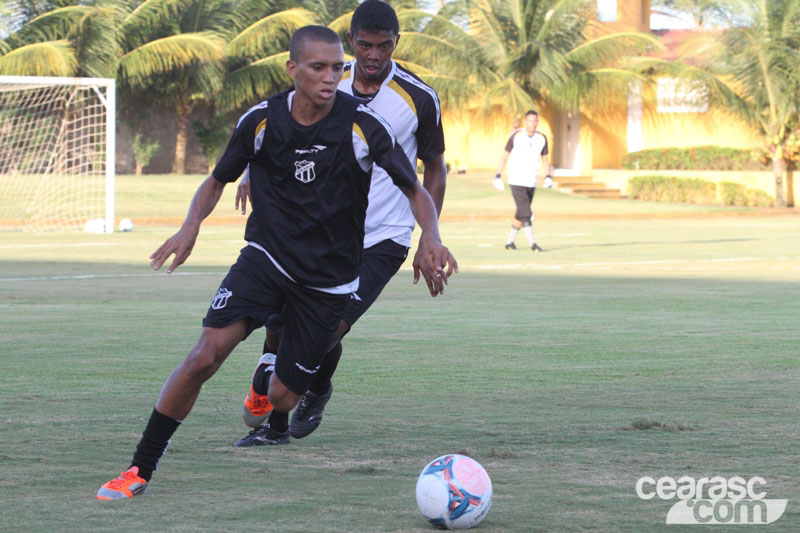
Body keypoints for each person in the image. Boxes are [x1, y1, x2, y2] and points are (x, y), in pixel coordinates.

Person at [96, 25, 457, 500]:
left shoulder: (364, 125)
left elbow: (416, 189)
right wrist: (190, 226)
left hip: (327, 281)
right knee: (203, 356)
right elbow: (217, 179)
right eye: (318, 68)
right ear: (293, 70)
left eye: (336, 68)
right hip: (265, 259)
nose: (331, 77)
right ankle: (138, 469)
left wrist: (430, 236)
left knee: (282, 399)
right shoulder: (261, 120)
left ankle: (269, 383)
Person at [233, 0, 449, 447]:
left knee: (326, 329)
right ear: (353, 41)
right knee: (280, 325)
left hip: (382, 239)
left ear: (396, 44)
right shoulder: (326, 76)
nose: (373, 55)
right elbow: (283, 122)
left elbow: (435, 169)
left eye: (384, 46)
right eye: (366, 45)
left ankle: (313, 390)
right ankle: (276, 429)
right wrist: (253, 170)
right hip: (318, 232)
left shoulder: (419, 97)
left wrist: (430, 235)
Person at [493, 110, 552, 252]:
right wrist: (498, 175)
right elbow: (505, 155)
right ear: (526, 121)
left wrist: (548, 176)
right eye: (530, 121)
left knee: (520, 213)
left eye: (535, 121)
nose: (533, 124)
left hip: (531, 181)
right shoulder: (516, 136)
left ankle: (510, 242)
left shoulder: (542, 138)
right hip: (516, 179)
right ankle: (533, 244)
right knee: (526, 213)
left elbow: (545, 159)